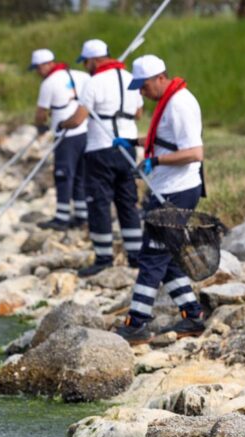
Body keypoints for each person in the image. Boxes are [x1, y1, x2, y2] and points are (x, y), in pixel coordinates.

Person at [115, 54, 206, 345]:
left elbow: (194, 153)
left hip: (178, 190)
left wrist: (156, 161)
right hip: (166, 189)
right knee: (165, 258)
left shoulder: (179, 104)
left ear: (160, 78)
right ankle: (193, 315)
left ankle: (136, 323)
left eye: (144, 86)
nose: (141, 92)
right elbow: (164, 139)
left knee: (153, 256)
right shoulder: (167, 101)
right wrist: (134, 142)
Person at [58, 38, 144, 277]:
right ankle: (135, 257)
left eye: (85, 62)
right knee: (127, 201)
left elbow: (78, 119)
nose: (85, 67)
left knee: (99, 203)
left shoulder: (94, 82)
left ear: (94, 60)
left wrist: (62, 124)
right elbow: (138, 113)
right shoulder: (131, 79)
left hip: (100, 149)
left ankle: (104, 258)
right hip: (128, 148)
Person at [29, 48, 90, 232]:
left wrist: (40, 126)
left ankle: (61, 218)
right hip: (86, 131)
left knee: (63, 175)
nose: (37, 72)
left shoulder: (49, 83)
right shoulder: (80, 75)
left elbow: (41, 113)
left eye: (38, 68)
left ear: (47, 64)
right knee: (80, 175)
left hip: (66, 135)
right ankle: (82, 215)